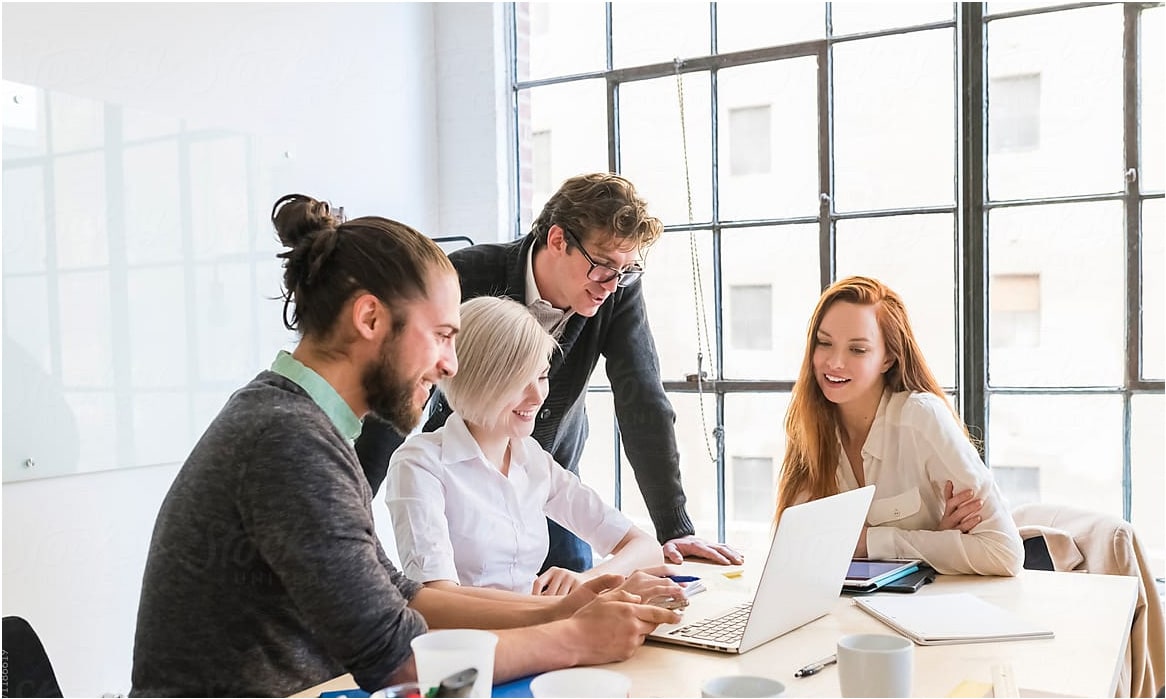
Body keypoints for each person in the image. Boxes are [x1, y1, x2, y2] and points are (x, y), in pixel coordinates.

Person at [129, 194, 681, 698]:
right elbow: (397, 661)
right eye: (442, 335)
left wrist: (565, 607)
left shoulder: (300, 421)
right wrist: (576, 637)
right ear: (370, 318)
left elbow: (410, 599)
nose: (451, 365)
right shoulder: (288, 440)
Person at [357, 172, 742, 572]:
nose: (613, 284)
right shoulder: (467, 275)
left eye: (627, 269)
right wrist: (351, 518)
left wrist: (672, 527)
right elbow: (401, 386)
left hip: (549, 473)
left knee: (574, 585)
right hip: (464, 474)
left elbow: (641, 398)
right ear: (558, 240)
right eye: (604, 265)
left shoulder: (618, 290)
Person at [387, 296, 664, 597]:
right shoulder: (420, 463)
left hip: (538, 629)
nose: (537, 396)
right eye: (521, 381)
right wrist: (562, 608)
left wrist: (587, 582)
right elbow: (439, 600)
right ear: (477, 380)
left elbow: (646, 548)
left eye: (542, 376)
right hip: (465, 642)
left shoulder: (531, 459)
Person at [775, 275, 1023, 576]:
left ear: (888, 358)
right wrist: (935, 542)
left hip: (932, 613)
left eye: (858, 349)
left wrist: (870, 542)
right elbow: (796, 550)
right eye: (825, 343)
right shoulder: (810, 426)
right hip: (843, 613)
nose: (835, 362)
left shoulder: (922, 418)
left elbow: (1004, 552)